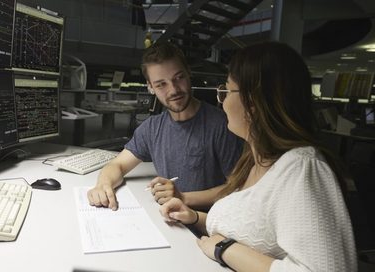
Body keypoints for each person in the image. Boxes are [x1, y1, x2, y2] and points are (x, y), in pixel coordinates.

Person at [160, 41, 357, 271]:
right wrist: (193, 217)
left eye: (226, 91)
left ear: (252, 102)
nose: (222, 102)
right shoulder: (255, 160)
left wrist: (224, 249)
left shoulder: (302, 168)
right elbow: (251, 229)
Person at [87, 42, 243, 211]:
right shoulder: (152, 128)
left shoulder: (222, 125)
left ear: (189, 74)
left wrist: (183, 198)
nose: (174, 90)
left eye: (179, 78)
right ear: (150, 87)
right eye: (161, 84)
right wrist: (103, 185)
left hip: (206, 226)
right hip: (169, 219)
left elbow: (238, 188)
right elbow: (117, 165)